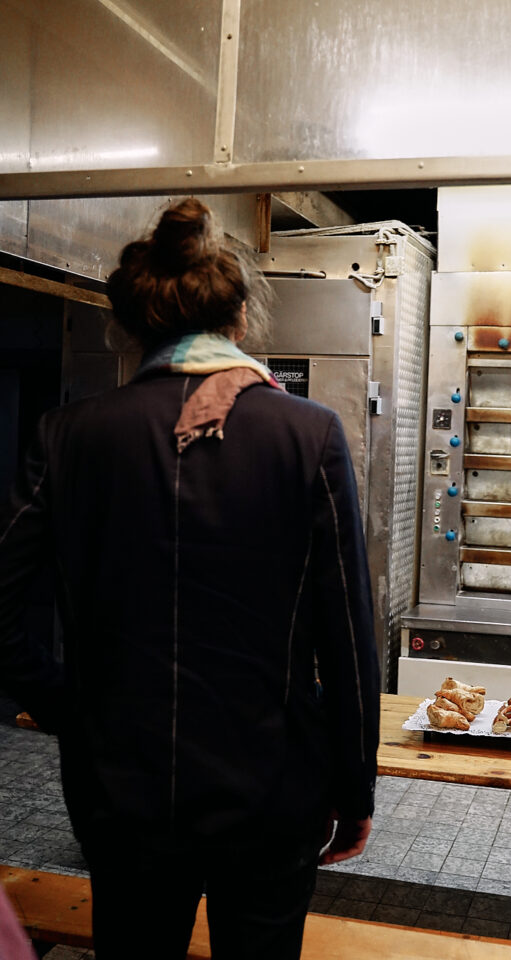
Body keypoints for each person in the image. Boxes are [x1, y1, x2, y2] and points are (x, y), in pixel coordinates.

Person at [0, 198, 380, 959]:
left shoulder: (67, 434)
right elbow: (347, 632)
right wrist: (353, 784)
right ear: (239, 317)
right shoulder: (307, 433)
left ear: (131, 323)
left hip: (121, 786)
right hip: (273, 785)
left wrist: (73, 708)